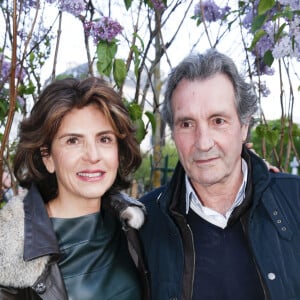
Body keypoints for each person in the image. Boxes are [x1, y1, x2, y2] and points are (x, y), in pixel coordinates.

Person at [138, 49, 300, 300]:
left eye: (218, 121)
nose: (203, 143)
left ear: (244, 125)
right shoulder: (143, 225)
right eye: (187, 124)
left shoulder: (295, 200)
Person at [0, 77, 150, 299]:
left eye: (104, 139)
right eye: (73, 141)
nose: (93, 156)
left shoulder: (136, 226)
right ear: (47, 156)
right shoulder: (10, 248)